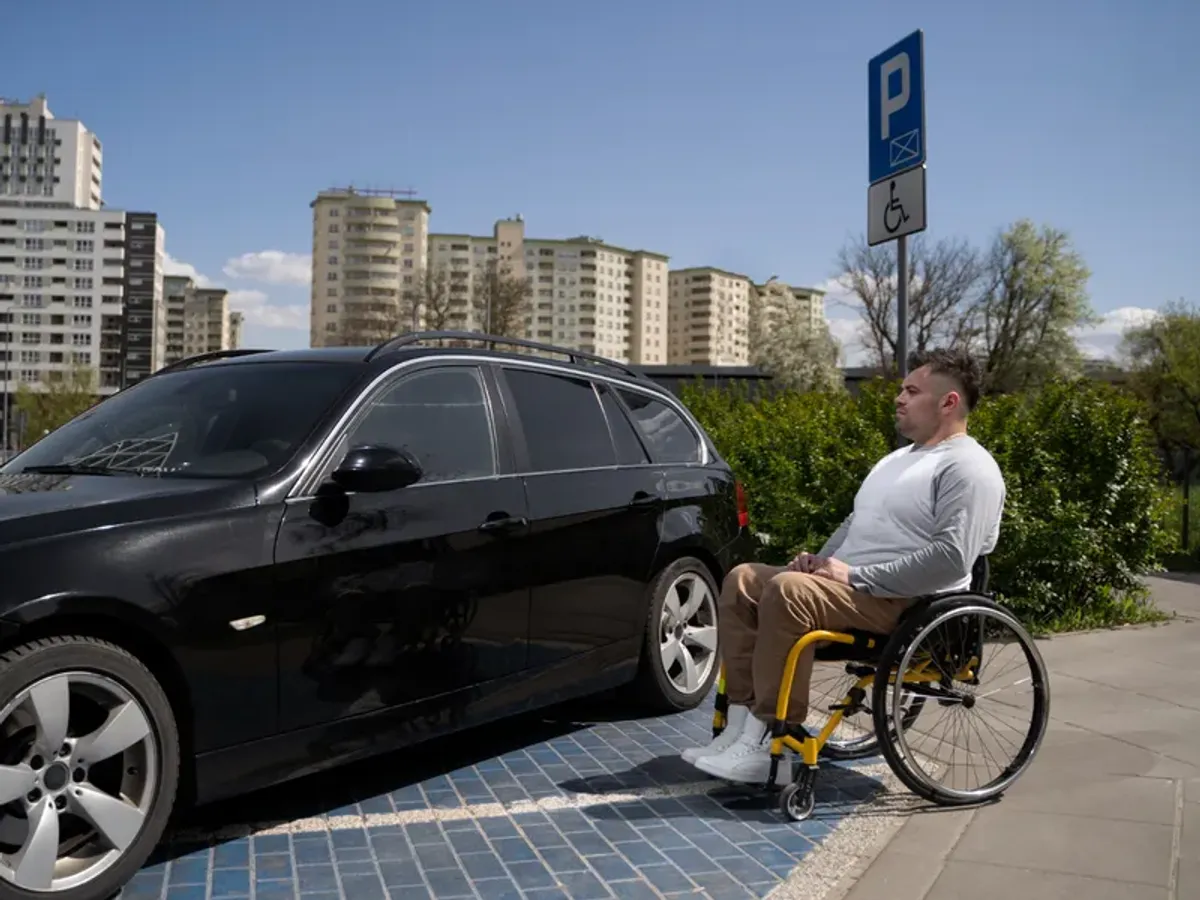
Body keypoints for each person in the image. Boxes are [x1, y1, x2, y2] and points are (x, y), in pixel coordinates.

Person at [684, 347, 1006, 785]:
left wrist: (853, 576)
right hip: (854, 590)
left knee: (788, 592)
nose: (900, 398)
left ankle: (768, 744)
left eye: (912, 391)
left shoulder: (969, 467)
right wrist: (821, 561)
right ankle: (741, 729)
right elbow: (857, 522)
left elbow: (950, 558)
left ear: (948, 403)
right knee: (743, 580)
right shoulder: (897, 460)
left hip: (905, 602)